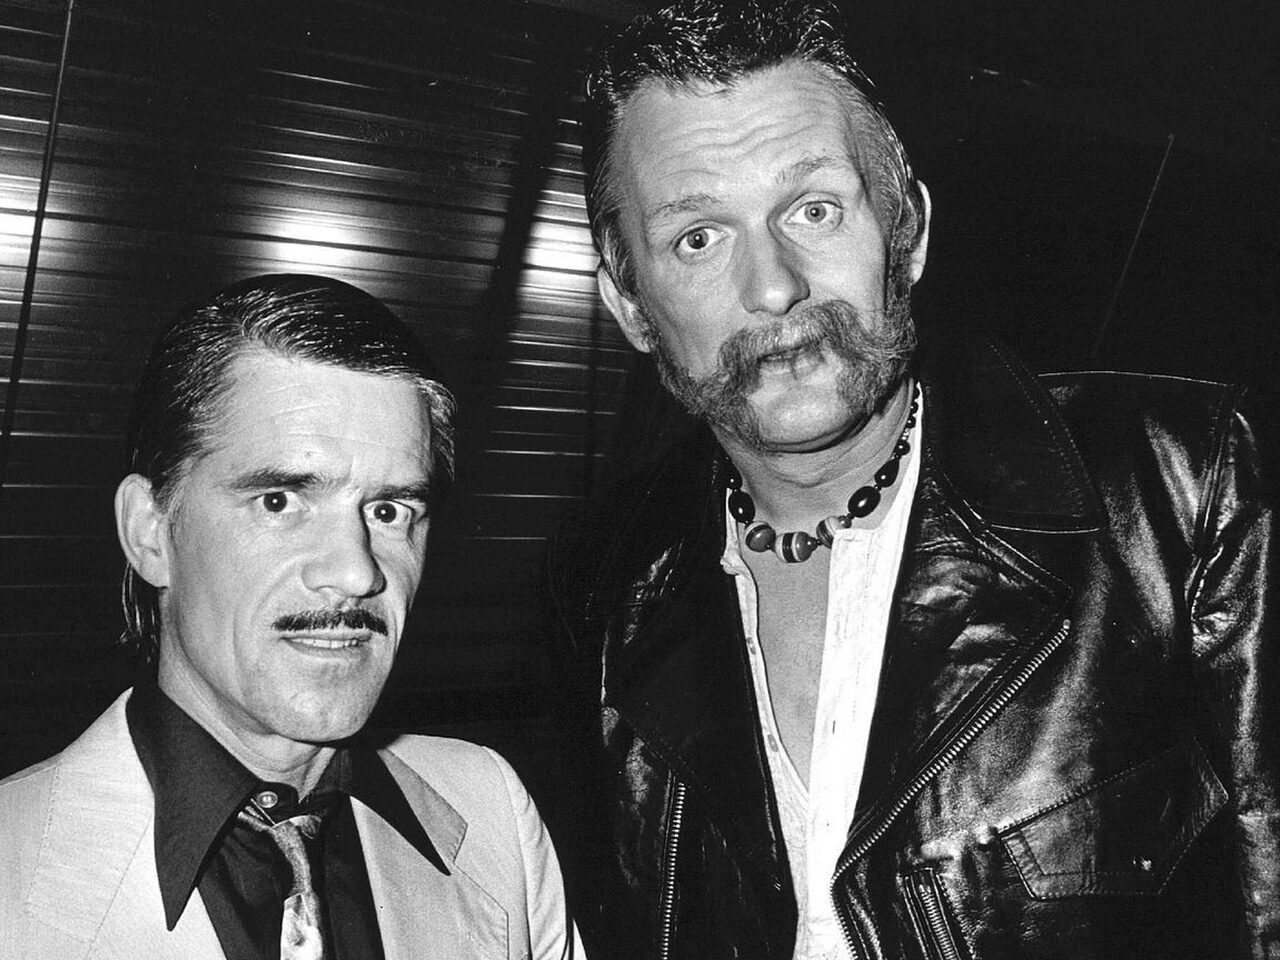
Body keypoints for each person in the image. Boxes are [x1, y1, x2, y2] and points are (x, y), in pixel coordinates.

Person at [546, 1, 1279, 958]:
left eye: (815, 210)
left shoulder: (1184, 487)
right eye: (698, 237)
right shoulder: (601, 590)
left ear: (910, 231)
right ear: (629, 304)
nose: (774, 288)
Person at [0, 275, 583, 960]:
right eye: (279, 501)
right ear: (151, 533)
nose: (358, 573)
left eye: (389, 511)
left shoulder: (493, 811)